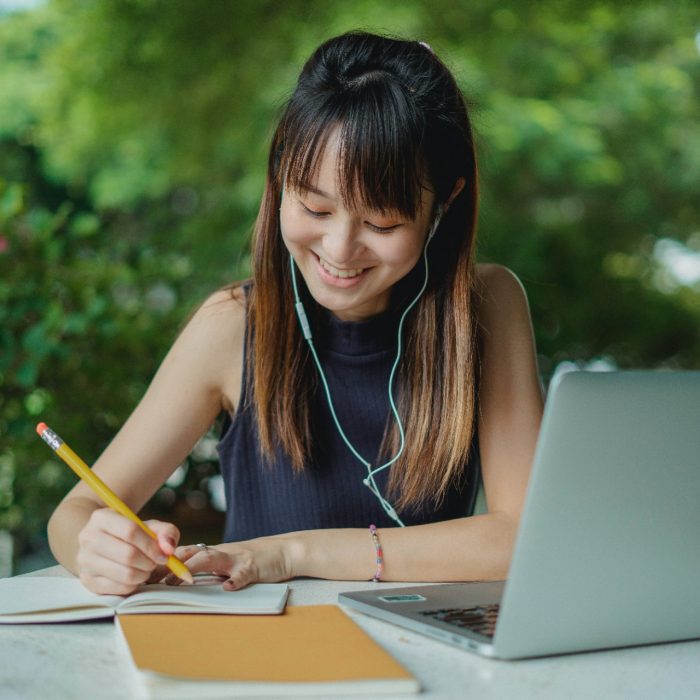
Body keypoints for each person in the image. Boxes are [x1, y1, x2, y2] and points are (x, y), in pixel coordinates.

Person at [47, 31, 543, 596]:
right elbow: (76, 511)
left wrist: (292, 552)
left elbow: (519, 536)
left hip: (429, 659)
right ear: (281, 173)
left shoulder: (488, 305)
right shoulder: (231, 326)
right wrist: (101, 548)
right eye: (314, 207)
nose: (339, 248)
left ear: (444, 203)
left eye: (381, 224)